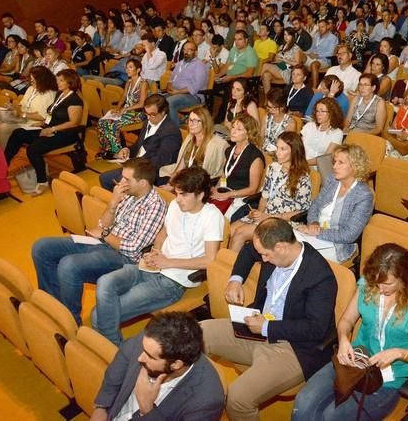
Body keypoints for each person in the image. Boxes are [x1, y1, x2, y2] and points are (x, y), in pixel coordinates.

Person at [201, 217, 337, 421]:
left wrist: (267, 327)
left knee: (238, 398)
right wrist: (235, 280)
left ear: (281, 247)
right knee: (196, 334)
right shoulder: (272, 247)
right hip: (256, 326)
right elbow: (248, 251)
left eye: (265, 255)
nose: (262, 259)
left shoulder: (320, 277)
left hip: (293, 347)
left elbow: (315, 328)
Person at [292, 243, 408, 420]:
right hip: (356, 360)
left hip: (390, 378)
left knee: (332, 416)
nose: (380, 289)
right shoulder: (367, 286)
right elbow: (346, 321)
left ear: (405, 278)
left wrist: (399, 353)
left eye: (387, 284)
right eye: (376, 283)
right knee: (303, 402)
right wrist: (344, 339)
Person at [92, 167, 223, 344]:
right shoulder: (176, 206)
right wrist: (156, 250)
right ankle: (117, 348)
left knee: (98, 317)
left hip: (172, 282)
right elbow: (163, 232)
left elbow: (209, 260)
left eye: (183, 195)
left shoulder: (212, 216)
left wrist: (168, 262)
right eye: (177, 193)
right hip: (152, 266)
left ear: (200, 195)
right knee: (105, 282)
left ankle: (116, 352)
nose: (177, 199)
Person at [32, 157, 166, 325]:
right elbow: (102, 223)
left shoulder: (155, 207)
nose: (120, 183)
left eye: (127, 179)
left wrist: (104, 234)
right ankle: (53, 306)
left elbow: (132, 249)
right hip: (102, 244)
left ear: (143, 183)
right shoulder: (128, 194)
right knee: (41, 247)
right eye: (122, 176)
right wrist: (112, 204)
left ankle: (69, 322)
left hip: (123, 258)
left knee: (69, 265)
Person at [91, 312, 224, 420]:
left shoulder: (206, 403)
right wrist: (101, 407)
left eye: (150, 356)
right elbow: (120, 363)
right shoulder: (152, 339)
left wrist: (147, 409)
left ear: (176, 364)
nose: (140, 357)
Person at [3, 69, 83, 196]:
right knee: (18, 133)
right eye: (57, 79)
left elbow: (74, 123)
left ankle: (42, 181)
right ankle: (2, 166)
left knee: (33, 149)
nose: (57, 82)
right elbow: (51, 115)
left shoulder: (75, 100)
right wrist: (44, 123)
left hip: (65, 134)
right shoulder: (60, 95)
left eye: (61, 80)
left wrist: (51, 129)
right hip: (50, 128)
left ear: (70, 82)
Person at [230, 132, 312, 252]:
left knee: (239, 233)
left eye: (283, 149)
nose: (277, 152)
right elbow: (264, 196)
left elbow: (301, 211)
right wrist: (259, 213)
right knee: (231, 229)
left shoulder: (303, 177)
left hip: (283, 222)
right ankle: (231, 262)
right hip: (265, 215)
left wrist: (269, 217)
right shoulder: (273, 168)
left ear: (294, 151)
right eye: (277, 147)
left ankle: (230, 268)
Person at [298, 144, 374, 264]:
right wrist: (313, 222)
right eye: (334, 162)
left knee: (299, 258)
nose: (334, 166)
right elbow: (316, 205)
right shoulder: (332, 180)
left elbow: (349, 234)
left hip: (338, 245)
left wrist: (318, 232)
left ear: (355, 166)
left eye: (340, 163)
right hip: (314, 235)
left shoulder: (363, 196)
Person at [99, 94, 182, 190]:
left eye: (152, 114)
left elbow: (161, 162)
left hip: (151, 174)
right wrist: (127, 150)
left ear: (163, 112)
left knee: (106, 179)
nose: (148, 117)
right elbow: (139, 145)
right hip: (138, 167)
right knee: (105, 178)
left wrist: (133, 164)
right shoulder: (148, 122)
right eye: (146, 114)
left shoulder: (171, 132)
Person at [211, 115, 265, 222]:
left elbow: (253, 189)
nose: (233, 131)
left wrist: (227, 194)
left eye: (239, 129)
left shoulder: (255, 156)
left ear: (248, 134)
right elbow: (225, 174)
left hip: (241, 198)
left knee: (216, 220)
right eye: (233, 127)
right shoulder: (230, 150)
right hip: (226, 192)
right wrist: (216, 188)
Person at [159, 107, 228, 185]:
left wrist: (174, 187)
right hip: (186, 177)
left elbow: (210, 176)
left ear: (205, 123)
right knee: (160, 180)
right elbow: (180, 167)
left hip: (199, 182)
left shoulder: (215, 145)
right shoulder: (190, 138)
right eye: (190, 120)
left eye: (195, 121)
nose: (191, 124)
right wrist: (170, 184)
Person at [0, 66, 57, 148]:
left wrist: (22, 114)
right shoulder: (31, 88)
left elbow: (42, 117)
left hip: (34, 124)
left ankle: (4, 156)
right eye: (31, 78)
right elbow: (22, 106)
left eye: (33, 79)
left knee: (4, 127)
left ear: (42, 80)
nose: (31, 81)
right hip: (23, 119)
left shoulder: (49, 94)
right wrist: (13, 107)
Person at [96, 58, 149, 159]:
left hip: (138, 114)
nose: (127, 70)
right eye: (127, 67)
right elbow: (123, 97)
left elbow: (142, 104)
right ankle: (107, 150)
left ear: (138, 70)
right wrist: (117, 107)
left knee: (113, 124)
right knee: (101, 122)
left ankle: (118, 153)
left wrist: (125, 109)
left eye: (130, 67)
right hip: (126, 111)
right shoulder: (128, 82)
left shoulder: (143, 83)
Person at [165, 41, 209, 124]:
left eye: (189, 50)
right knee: (156, 99)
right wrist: (169, 85)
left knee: (169, 102)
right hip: (176, 93)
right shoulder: (180, 63)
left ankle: (174, 131)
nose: (186, 52)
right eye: (184, 50)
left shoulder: (199, 65)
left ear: (196, 52)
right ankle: (169, 124)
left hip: (193, 96)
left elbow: (195, 87)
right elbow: (171, 78)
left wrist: (177, 92)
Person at [260, 27, 305, 93]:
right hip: (280, 65)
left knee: (265, 65)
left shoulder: (295, 48)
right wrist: (278, 59)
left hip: (288, 69)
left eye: (288, 35)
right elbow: (275, 59)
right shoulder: (282, 46)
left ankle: (257, 82)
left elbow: (297, 63)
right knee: (265, 75)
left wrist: (285, 60)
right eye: (284, 35)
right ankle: (268, 100)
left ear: (292, 36)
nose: (286, 37)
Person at [302, 97, 344, 166]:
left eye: (322, 111)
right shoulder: (309, 125)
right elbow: (299, 147)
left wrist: (303, 164)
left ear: (331, 113)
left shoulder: (337, 133)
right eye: (317, 111)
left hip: (319, 167)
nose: (318, 114)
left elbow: (325, 159)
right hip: (301, 163)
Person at [261, 88, 296, 153]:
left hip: (278, 154)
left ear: (282, 107)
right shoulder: (267, 117)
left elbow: (286, 147)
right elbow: (261, 138)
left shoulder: (290, 123)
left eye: (274, 107)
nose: (270, 110)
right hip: (263, 151)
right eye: (268, 106)